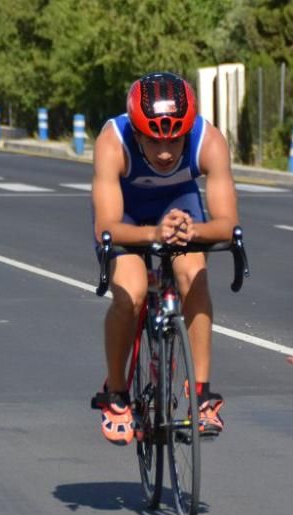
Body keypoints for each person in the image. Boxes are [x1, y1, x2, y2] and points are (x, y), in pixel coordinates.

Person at [92, 71, 238, 444]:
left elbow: (227, 224)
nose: (164, 153)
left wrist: (192, 232)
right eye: (153, 141)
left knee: (194, 274)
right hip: (127, 215)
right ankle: (117, 394)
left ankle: (202, 394)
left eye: (174, 141)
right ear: (135, 133)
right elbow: (106, 227)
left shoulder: (209, 140)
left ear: (187, 132)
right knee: (133, 291)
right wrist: (154, 234)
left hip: (179, 206)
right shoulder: (113, 141)